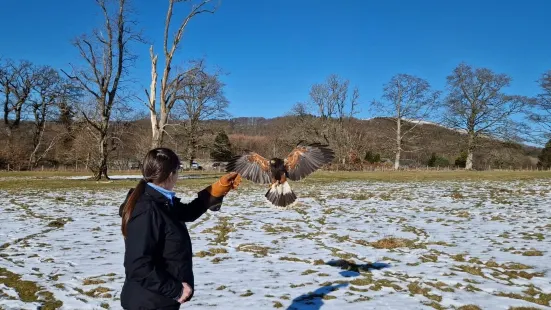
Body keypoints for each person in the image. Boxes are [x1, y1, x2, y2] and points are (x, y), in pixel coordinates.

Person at [118, 148, 241, 309]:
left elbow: (187, 212)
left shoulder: (161, 201)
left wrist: (216, 190)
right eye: (178, 171)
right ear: (171, 174)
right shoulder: (147, 209)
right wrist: (175, 290)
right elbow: (137, 266)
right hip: (149, 302)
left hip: (158, 299)